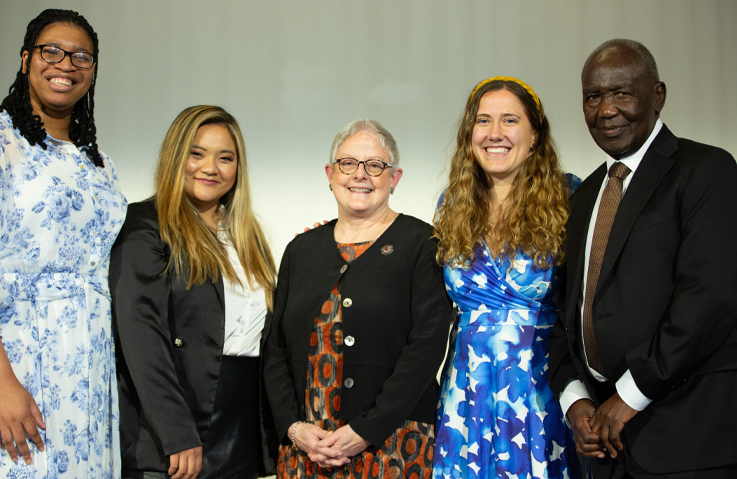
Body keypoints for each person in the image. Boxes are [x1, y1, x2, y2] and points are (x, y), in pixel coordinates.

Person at [548, 39, 737, 478]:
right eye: (593, 97)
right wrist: (577, 402)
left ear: (658, 96)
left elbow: (709, 300)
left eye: (622, 93)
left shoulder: (707, 171)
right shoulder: (585, 195)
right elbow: (563, 311)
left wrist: (630, 396)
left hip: (688, 438)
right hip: (605, 448)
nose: (606, 110)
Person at [0, 8, 126, 478]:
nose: (66, 64)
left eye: (82, 57)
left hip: (88, 363)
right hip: (17, 357)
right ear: (27, 58)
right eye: (52, 51)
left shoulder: (98, 162)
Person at [264, 119, 452, 478]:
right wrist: (293, 428)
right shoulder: (300, 250)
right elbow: (275, 350)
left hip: (394, 445)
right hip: (308, 451)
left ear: (394, 179)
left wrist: (366, 430)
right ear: (330, 174)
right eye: (348, 163)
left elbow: (426, 347)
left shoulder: (422, 244)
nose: (360, 175)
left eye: (375, 166)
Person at [109, 105, 278, 479]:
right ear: (175, 156)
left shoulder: (250, 240)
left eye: (226, 158)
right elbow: (142, 335)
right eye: (196, 153)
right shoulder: (146, 226)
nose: (210, 168)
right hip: (175, 432)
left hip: (244, 431)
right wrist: (177, 432)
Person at [433, 77, 580, 479]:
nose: (494, 133)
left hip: (541, 394)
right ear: (470, 134)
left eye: (510, 120)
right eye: (483, 121)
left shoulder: (572, 199)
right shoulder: (450, 206)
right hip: (466, 397)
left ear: (535, 135)